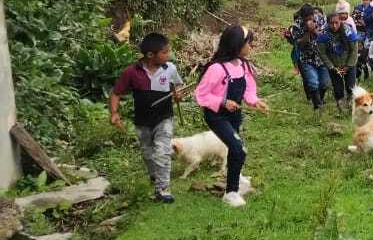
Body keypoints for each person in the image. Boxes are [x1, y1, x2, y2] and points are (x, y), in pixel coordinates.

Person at [194, 25, 268, 208]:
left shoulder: (243, 65)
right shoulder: (216, 69)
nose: (251, 46)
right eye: (248, 43)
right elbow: (201, 95)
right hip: (217, 116)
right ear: (237, 44)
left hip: (235, 115)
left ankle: (234, 174)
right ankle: (231, 192)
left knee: (237, 148)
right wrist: (223, 101)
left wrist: (255, 101)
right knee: (238, 149)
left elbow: (249, 90)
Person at [109, 32, 184, 203]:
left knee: (162, 152)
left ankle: (163, 189)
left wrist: (178, 93)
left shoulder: (170, 69)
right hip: (142, 121)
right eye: (165, 52)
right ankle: (155, 176)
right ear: (150, 55)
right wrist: (114, 113)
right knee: (148, 154)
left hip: (164, 118)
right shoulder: (131, 72)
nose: (169, 55)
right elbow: (116, 93)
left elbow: (178, 84)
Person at [290, 9, 330, 111]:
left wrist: (314, 31)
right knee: (313, 82)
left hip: (322, 57)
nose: (309, 20)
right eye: (306, 18)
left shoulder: (321, 19)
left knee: (325, 83)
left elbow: (325, 35)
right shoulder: (296, 26)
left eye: (311, 17)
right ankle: (318, 106)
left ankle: (320, 100)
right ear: (302, 17)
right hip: (307, 59)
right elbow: (298, 44)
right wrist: (307, 31)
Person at [319, 12, 359, 111]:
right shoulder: (323, 34)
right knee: (338, 88)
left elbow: (354, 50)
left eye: (336, 23)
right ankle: (340, 106)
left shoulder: (348, 31)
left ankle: (351, 105)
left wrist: (348, 66)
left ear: (340, 21)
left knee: (350, 86)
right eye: (331, 23)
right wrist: (332, 67)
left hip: (349, 63)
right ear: (327, 23)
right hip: (334, 66)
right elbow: (322, 53)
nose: (334, 26)